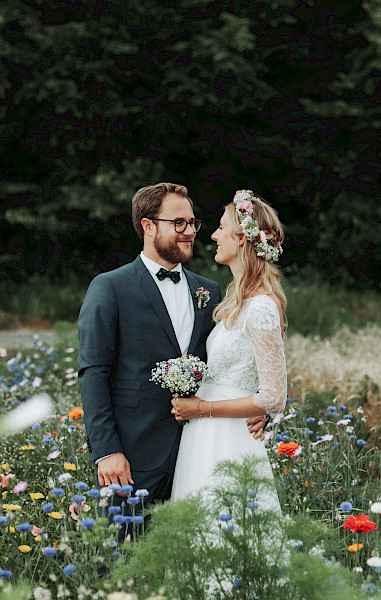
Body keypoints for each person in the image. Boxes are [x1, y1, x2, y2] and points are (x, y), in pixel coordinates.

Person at [77, 182, 265, 513]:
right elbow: (94, 371)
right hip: (131, 456)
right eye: (178, 223)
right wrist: (106, 451)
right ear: (148, 226)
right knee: (121, 560)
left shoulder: (209, 291)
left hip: (199, 452)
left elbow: (228, 364)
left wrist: (257, 405)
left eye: (192, 222)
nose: (189, 231)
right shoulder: (110, 287)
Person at [170, 189, 287, 508]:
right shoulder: (235, 302)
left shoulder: (262, 306)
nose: (214, 235)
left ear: (242, 239)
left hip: (227, 435)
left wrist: (201, 409)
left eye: (222, 227)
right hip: (205, 433)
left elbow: (275, 395)